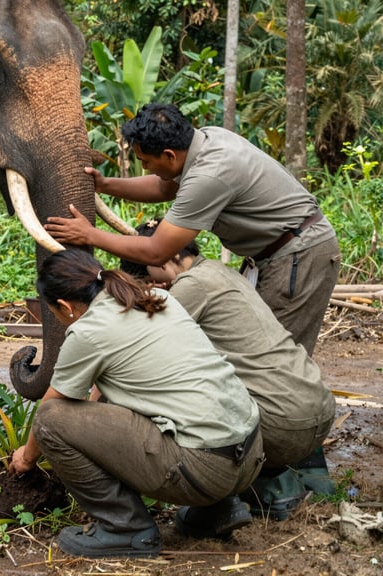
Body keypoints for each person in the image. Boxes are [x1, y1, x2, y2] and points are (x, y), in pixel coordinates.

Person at [7, 249, 264, 558]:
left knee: (50, 418)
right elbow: (110, 396)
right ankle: (218, 509)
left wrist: (25, 458)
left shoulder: (89, 331)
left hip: (204, 471)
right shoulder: (154, 297)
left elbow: (51, 409)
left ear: (64, 306)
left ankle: (125, 529)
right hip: (250, 454)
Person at [44, 103, 341, 357]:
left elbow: (158, 250)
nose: (146, 168)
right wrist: (106, 185)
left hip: (298, 257)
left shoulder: (210, 174)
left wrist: (90, 236)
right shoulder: (206, 140)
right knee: (253, 346)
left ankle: (287, 422)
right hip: (276, 253)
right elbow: (164, 187)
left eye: (147, 162)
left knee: (271, 355)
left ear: (170, 155)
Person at [122, 219, 336, 528]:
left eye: (143, 276)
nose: (147, 285)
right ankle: (292, 479)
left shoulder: (190, 287)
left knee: (166, 387)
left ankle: (219, 500)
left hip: (283, 428)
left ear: (163, 257)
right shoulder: (219, 272)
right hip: (318, 412)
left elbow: (140, 351)